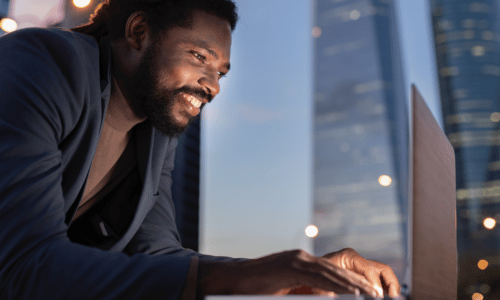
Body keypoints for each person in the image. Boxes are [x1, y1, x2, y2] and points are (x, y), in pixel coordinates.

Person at [0, 0, 400, 299]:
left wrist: (290, 273)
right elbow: (23, 266)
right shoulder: (41, 63)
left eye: (221, 72)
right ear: (140, 32)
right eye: (199, 57)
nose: (213, 86)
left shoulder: (155, 134)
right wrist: (237, 278)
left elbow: (159, 255)